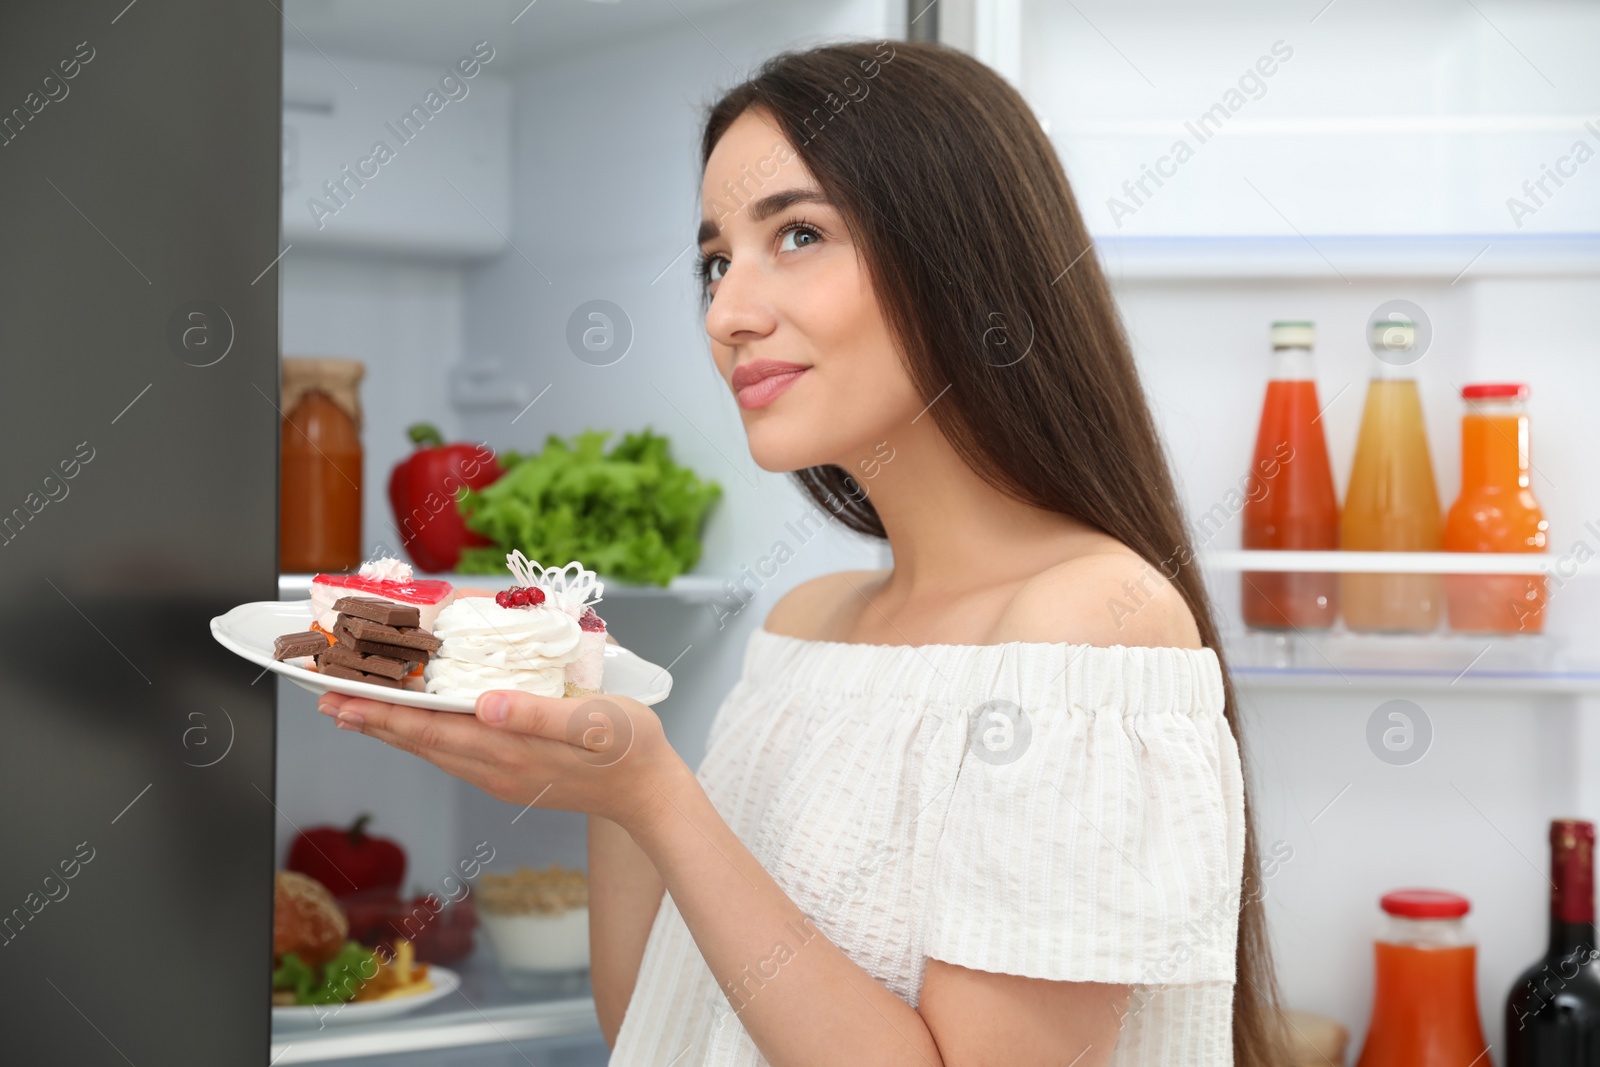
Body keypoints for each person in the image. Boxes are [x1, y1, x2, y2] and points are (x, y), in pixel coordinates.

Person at [318, 39, 1286, 1067]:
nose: (728, 313)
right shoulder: (808, 625)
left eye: (798, 232)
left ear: (962, 258)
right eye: (714, 260)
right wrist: (605, 768)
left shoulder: (1087, 622)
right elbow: (660, 1015)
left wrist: (659, 797)